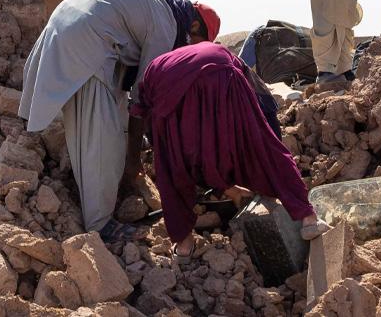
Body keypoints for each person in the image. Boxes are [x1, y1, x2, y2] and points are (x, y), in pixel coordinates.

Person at [19, 0, 221, 243]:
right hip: (87, 39)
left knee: (112, 120)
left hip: (67, 21)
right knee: (102, 141)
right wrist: (133, 162)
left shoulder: (158, 3)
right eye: (194, 43)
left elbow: (133, 85)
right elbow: (142, 96)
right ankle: (100, 224)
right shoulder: (166, 26)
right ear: (193, 25)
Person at [131, 42, 329, 260]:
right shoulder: (229, 58)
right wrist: (268, 140)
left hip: (168, 89)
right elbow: (263, 110)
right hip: (220, 75)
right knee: (263, 146)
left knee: (173, 166)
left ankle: (184, 246)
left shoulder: (151, 78)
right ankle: (308, 219)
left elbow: (194, 150)